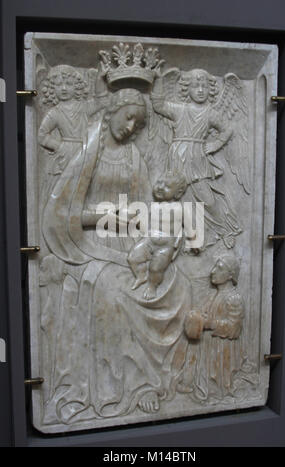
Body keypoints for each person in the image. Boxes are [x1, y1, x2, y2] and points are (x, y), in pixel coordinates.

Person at [42, 87, 193, 424]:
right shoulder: (87, 154)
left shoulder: (133, 157)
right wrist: (106, 215)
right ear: (112, 111)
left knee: (178, 284)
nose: (131, 128)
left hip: (131, 241)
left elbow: (145, 207)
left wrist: (155, 234)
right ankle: (127, 386)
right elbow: (65, 213)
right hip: (88, 246)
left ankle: (155, 382)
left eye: (138, 125)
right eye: (128, 119)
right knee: (113, 291)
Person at [151, 69, 242, 249]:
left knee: (206, 199)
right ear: (187, 89)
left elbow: (228, 129)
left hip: (197, 157)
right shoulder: (179, 109)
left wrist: (215, 145)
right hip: (177, 156)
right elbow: (158, 105)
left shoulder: (210, 113)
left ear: (211, 90)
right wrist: (158, 78)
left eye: (204, 86)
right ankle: (191, 240)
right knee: (180, 199)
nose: (200, 90)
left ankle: (225, 230)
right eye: (195, 86)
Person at [127, 169, 200, 299]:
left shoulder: (180, 209)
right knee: (132, 258)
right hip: (149, 241)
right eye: (159, 183)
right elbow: (143, 221)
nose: (160, 187)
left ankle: (152, 287)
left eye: (167, 186)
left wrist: (194, 242)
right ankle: (141, 275)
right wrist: (135, 221)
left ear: (178, 193)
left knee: (156, 269)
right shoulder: (153, 206)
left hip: (165, 247)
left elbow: (190, 226)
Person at [182, 254, 245, 399]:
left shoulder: (233, 299)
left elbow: (235, 329)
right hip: (209, 348)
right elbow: (204, 314)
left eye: (219, 268)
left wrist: (211, 323)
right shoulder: (212, 296)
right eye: (215, 266)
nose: (212, 271)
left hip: (223, 350)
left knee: (218, 387)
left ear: (230, 275)